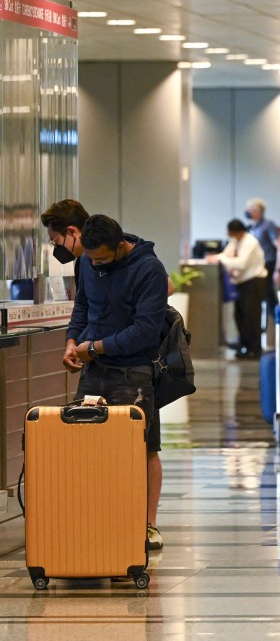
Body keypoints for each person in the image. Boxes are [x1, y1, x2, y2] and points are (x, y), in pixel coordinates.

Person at [64, 215, 170, 551]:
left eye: (102, 259)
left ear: (121, 245)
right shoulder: (86, 261)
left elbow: (146, 329)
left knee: (141, 449)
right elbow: (82, 307)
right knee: (85, 448)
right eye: (90, 259)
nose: (95, 266)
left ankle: (147, 524)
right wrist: (72, 341)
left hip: (133, 372)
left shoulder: (149, 269)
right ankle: (95, 518)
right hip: (93, 372)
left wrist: (95, 347)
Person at [208, 219, 267, 360]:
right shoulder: (235, 241)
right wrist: (218, 258)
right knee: (240, 315)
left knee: (251, 316)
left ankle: (255, 349)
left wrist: (221, 260)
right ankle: (245, 345)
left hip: (254, 282)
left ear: (237, 231)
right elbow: (225, 254)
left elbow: (241, 263)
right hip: (242, 283)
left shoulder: (250, 242)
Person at [245, 198, 280, 327]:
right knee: (259, 300)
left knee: (270, 299)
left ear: (258, 211)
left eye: (251, 209)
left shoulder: (268, 226)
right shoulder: (252, 228)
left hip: (269, 265)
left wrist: (279, 269)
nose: (248, 212)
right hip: (256, 268)